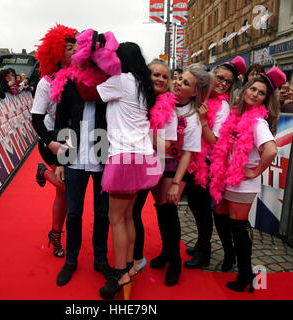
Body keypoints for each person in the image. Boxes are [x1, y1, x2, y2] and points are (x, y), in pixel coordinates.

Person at [93, 42, 162, 299]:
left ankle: (120, 272)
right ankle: (132, 265)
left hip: (124, 157)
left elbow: (91, 92)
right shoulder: (143, 84)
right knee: (130, 215)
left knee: (116, 219)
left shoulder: (121, 81)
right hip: (142, 157)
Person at [208, 67, 286, 293]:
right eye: (253, 89)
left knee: (238, 228)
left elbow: (271, 150)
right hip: (225, 180)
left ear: (265, 100)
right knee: (220, 219)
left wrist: (255, 171)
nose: (254, 94)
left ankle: (244, 275)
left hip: (242, 184)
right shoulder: (235, 116)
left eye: (261, 93)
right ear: (243, 91)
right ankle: (230, 255)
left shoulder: (258, 123)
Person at [50, 28, 116, 288]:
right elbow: (59, 121)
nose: (87, 59)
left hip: (103, 157)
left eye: (92, 55)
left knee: (102, 214)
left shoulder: (110, 81)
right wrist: (59, 161)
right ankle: (71, 259)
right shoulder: (67, 82)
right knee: (74, 213)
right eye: (82, 54)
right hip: (74, 157)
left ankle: (100, 259)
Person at [148, 64, 212, 287]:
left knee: (168, 208)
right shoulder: (162, 101)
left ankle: (174, 260)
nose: (177, 83)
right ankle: (166, 251)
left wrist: (176, 183)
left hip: (175, 168)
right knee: (160, 208)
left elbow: (188, 154)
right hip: (154, 163)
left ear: (194, 92)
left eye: (185, 83)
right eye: (179, 78)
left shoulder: (193, 115)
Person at [183, 56, 246, 272]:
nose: (222, 83)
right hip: (192, 160)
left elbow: (216, 142)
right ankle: (201, 243)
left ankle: (204, 253)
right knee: (194, 204)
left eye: (227, 81)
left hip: (207, 164)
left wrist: (202, 121)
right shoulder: (202, 97)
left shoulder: (223, 107)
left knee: (201, 210)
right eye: (219, 77)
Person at [30, 24, 77, 260]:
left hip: (75, 141)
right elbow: (36, 118)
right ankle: (56, 234)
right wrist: (51, 144)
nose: (74, 51)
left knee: (65, 194)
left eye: (75, 46)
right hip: (53, 141)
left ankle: (55, 232)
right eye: (68, 48)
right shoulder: (46, 83)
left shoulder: (81, 77)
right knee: (66, 189)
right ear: (58, 52)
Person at [131, 58, 177, 279]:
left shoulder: (169, 105)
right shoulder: (139, 100)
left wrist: (140, 134)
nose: (159, 79)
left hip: (160, 165)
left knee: (166, 212)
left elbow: (167, 146)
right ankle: (138, 256)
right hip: (139, 164)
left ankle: (173, 260)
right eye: (155, 74)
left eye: (164, 76)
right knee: (134, 211)